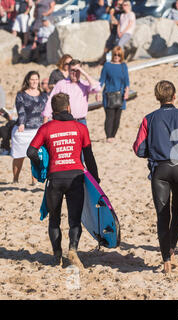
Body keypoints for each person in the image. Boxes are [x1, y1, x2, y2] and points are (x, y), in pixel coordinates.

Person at [133, 80, 178, 274]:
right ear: (174, 96)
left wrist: (153, 148)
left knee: (162, 215)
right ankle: (172, 248)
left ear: (157, 97)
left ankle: (165, 259)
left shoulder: (149, 119)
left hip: (161, 171)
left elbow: (139, 149)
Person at [27, 93, 100, 268]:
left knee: (54, 219)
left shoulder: (46, 128)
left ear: (53, 110)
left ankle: (57, 255)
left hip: (55, 178)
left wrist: (42, 166)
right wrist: (95, 179)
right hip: (76, 177)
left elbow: (31, 152)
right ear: (68, 108)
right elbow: (89, 156)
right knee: (74, 219)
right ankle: (73, 249)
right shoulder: (79, 127)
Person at [11, 71, 47, 184]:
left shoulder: (43, 95)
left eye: (36, 79)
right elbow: (20, 110)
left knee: (36, 156)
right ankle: (15, 178)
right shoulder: (21, 94)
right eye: (32, 79)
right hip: (23, 129)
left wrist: (45, 124)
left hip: (38, 129)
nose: (34, 81)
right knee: (19, 156)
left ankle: (34, 180)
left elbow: (46, 111)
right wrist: (21, 123)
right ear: (28, 80)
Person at [43, 59, 101, 126]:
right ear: (68, 71)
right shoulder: (61, 84)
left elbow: (97, 88)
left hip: (81, 121)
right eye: (72, 70)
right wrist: (45, 119)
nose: (74, 73)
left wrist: (84, 73)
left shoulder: (85, 84)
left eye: (77, 71)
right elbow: (51, 100)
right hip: (65, 121)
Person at [98, 46, 129, 142]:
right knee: (110, 117)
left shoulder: (123, 66)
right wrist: (98, 92)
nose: (116, 56)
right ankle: (109, 136)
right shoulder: (107, 65)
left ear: (121, 56)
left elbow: (127, 81)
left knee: (117, 118)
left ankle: (113, 135)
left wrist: (127, 91)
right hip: (108, 95)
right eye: (115, 54)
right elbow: (101, 80)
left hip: (121, 94)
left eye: (119, 55)